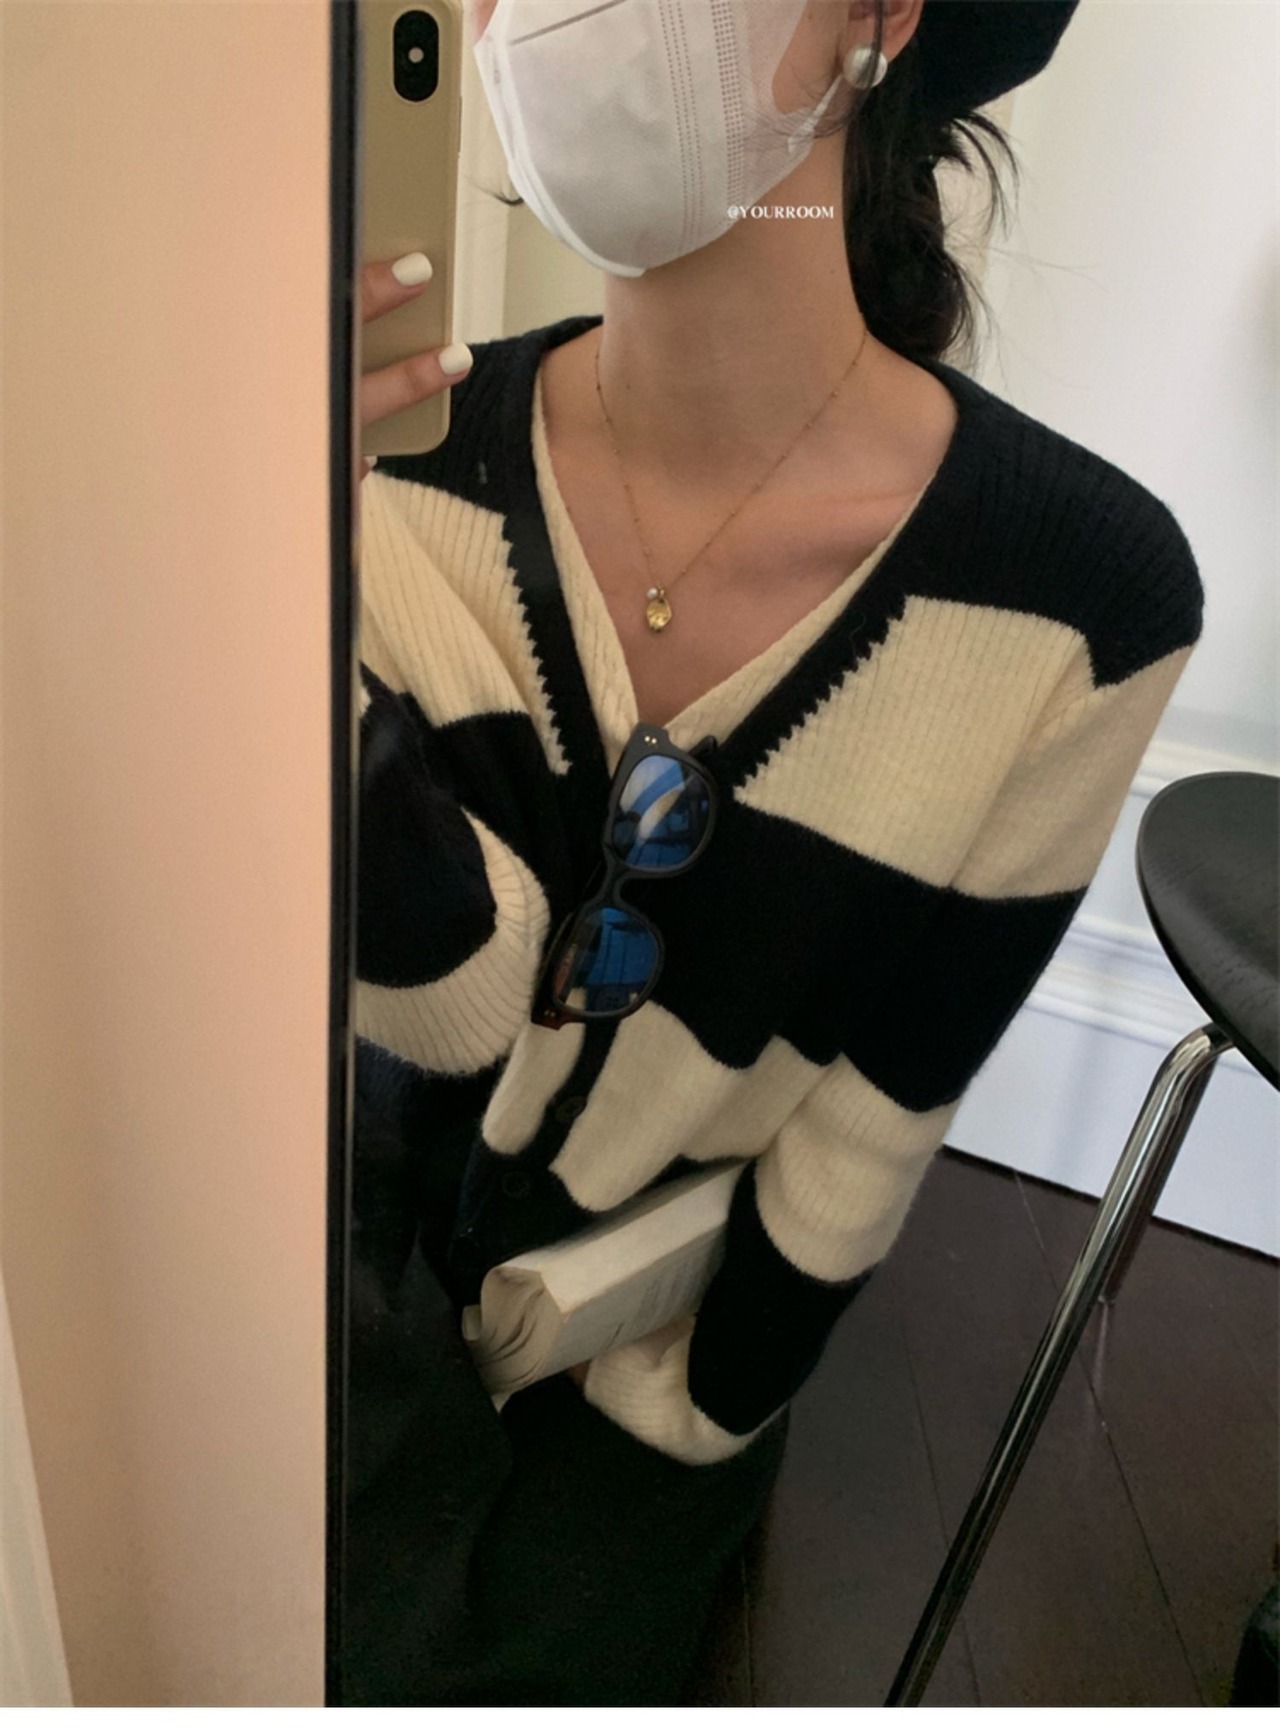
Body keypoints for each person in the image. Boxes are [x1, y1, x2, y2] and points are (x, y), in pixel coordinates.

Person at [343, 0, 1202, 1707]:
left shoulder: (1078, 601)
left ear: (882, 15)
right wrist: (248, 559)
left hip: (650, 1362)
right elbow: (440, 1001)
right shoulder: (379, 468)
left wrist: (712, 1399)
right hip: (337, 1285)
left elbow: (885, 1097)